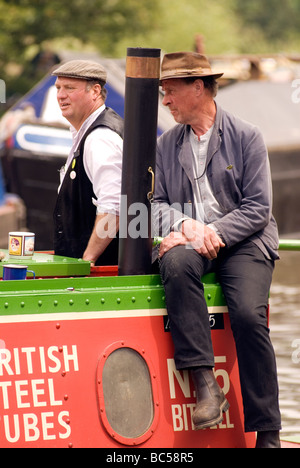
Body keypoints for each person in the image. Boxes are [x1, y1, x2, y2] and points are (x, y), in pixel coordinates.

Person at [153, 52, 281, 448]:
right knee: (174, 263)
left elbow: (258, 208)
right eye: (162, 93)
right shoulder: (165, 143)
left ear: (198, 87)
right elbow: (154, 205)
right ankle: (207, 387)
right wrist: (183, 226)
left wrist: (211, 231)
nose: (165, 101)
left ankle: (268, 431)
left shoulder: (247, 135)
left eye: (170, 91)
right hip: (192, 240)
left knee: (247, 315)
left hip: (245, 241)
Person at [51, 60, 123, 266]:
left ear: (95, 91)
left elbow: (114, 208)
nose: (61, 95)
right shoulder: (87, 134)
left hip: (100, 272)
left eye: (69, 88)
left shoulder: (100, 138)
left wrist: (88, 259)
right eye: (58, 88)